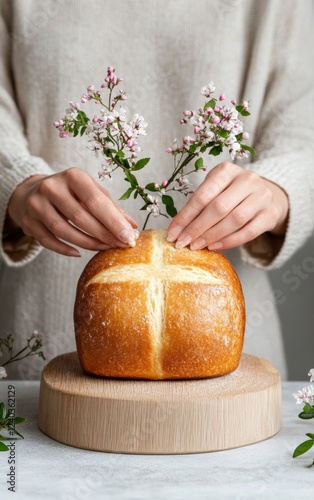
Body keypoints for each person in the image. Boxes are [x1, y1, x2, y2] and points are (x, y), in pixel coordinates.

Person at [0, 0, 313, 379]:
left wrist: (278, 189)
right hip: (42, 352)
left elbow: (303, 131)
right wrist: (16, 181)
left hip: (223, 364)